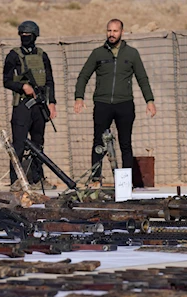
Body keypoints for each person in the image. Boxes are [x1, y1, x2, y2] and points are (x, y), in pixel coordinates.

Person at [74, 19, 156, 185]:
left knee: (125, 143)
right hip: (102, 104)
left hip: (124, 104)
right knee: (99, 143)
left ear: (121, 32)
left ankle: (125, 182)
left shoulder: (132, 54)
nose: (111, 34)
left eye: (115, 31)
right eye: (109, 31)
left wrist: (150, 100)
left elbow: (142, 78)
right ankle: (96, 179)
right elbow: (83, 75)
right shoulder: (98, 53)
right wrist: (79, 97)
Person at [2, 21, 57, 192]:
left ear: (35, 36)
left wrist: (52, 103)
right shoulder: (13, 55)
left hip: (39, 106)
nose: (25, 38)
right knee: (19, 144)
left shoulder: (42, 55)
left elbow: (49, 81)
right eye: (23, 35)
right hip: (22, 106)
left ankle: (37, 178)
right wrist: (22, 87)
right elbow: (7, 81)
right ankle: (16, 180)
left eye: (29, 35)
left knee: (38, 144)